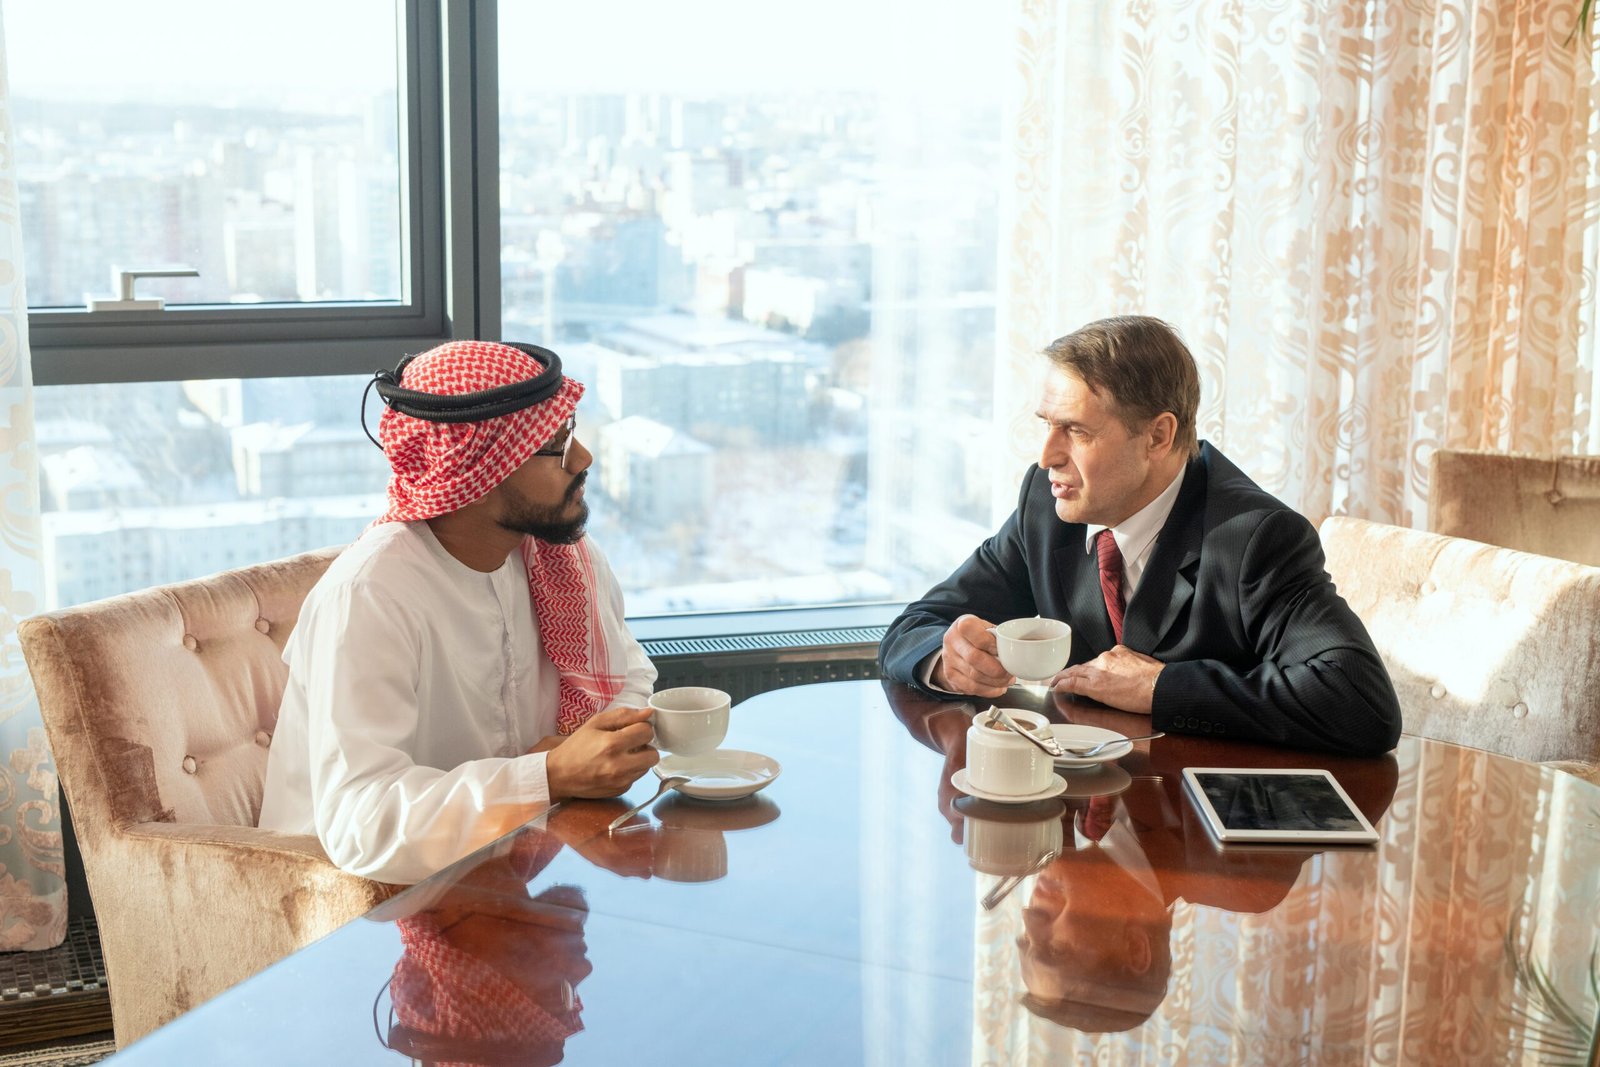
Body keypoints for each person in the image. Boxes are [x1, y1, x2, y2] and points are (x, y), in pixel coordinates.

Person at [879, 315, 1402, 755]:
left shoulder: (1254, 538)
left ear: (1158, 435)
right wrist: (945, 661)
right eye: (1047, 424)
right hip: (1087, 824)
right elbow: (914, 627)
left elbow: (1360, 703)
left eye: (1077, 431)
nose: (1047, 457)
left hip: (1206, 842)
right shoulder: (1046, 501)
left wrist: (1162, 689)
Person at [259, 339, 659, 884]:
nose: (583, 459)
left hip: (520, 864)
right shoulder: (371, 596)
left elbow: (630, 673)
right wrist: (544, 774)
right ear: (479, 467)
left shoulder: (562, 558)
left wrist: (574, 753)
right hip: (361, 904)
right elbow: (363, 824)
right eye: (558, 444)